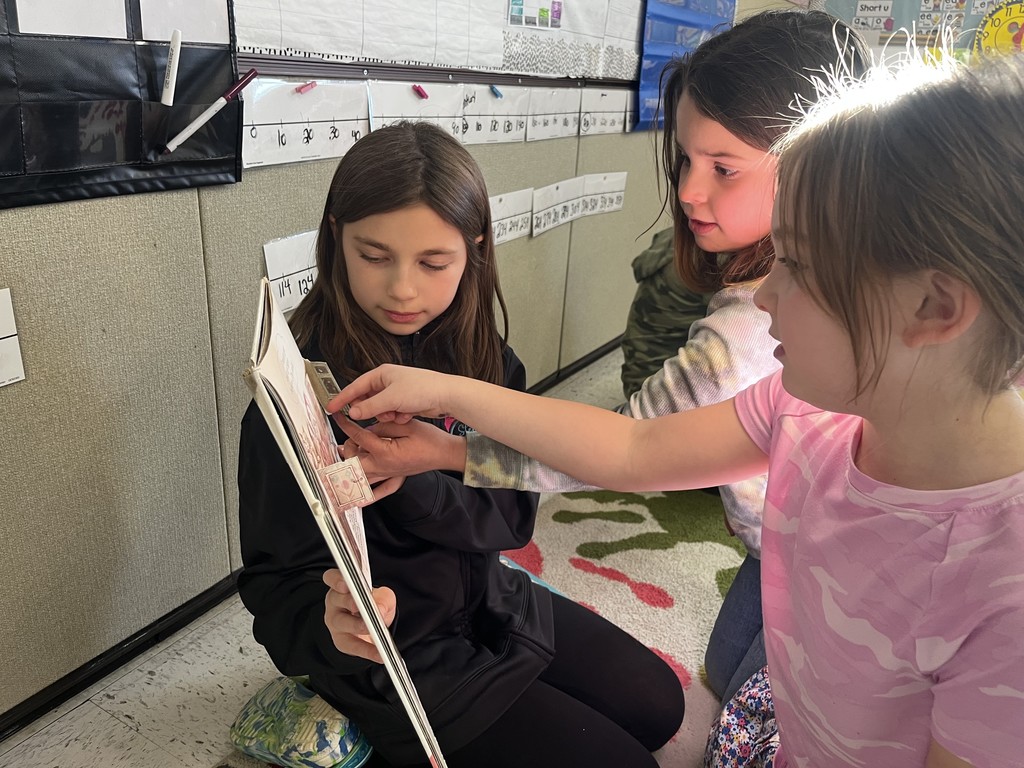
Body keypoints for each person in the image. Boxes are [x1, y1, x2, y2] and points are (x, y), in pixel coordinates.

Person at [330, 54, 1024, 767]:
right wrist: (445, 409)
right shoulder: (805, 409)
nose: (762, 295)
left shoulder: (1004, 591)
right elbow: (633, 450)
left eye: (800, 267)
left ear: (934, 308)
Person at [340, 9, 871, 708]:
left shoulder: (748, 331)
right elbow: (626, 446)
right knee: (721, 681)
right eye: (684, 159)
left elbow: (624, 450)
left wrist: (447, 421)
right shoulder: (767, 322)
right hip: (771, 548)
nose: (685, 191)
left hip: (831, 578)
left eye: (723, 167)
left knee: (746, 711)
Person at [235, 121, 684, 768]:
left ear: (473, 249)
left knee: (659, 705)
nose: (402, 289)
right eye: (373, 255)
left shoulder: (486, 363)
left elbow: (512, 517)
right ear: (335, 238)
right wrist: (330, 628)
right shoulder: (300, 394)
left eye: (434, 262)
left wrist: (420, 473)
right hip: (402, 656)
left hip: (491, 602)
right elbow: (274, 586)